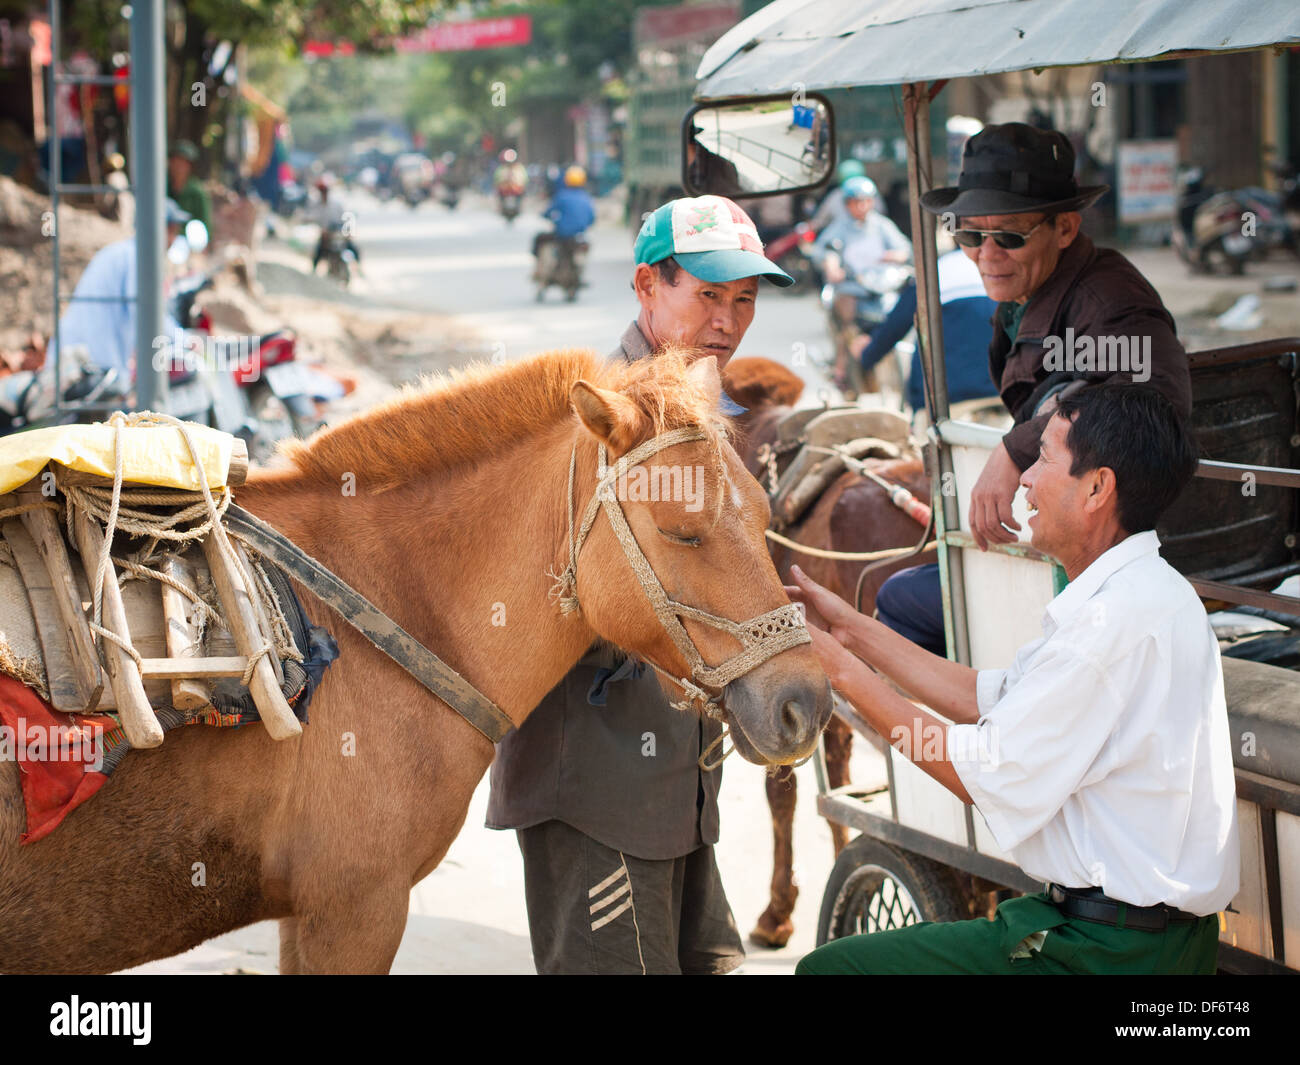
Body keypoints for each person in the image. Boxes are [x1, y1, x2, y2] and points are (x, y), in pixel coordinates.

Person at [789, 384, 1239, 975]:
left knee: (830, 970)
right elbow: (985, 696)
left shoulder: (1110, 624)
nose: (1025, 479)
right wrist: (853, 631)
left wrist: (840, 671)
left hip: (1111, 954)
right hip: (1133, 934)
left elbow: (976, 772)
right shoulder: (1146, 591)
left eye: (1046, 458)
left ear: (1098, 488)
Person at [487, 195, 794, 975]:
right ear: (647, 288)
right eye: (710, 294)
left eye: (745, 299)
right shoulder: (600, 420)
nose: (728, 320)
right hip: (596, 787)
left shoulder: (699, 409)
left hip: (681, 795)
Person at [874, 122, 1193, 656]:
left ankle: (967, 734)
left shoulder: (1108, 296)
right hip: (1077, 534)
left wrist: (1016, 447)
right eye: (971, 236)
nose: (986, 254)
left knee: (901, 599)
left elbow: (1153, 400)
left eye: (1009, 236)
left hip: (1107, 550)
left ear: (1065, 229)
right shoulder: (1029, 293)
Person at [853, 234, 999, 415]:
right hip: (1000, 391)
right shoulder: (999, 272)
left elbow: (894, 328)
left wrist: (866, 357)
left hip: (944, 398)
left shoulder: (935, 271)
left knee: (924, 436)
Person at [810, 175, 911, 386]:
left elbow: (904, 247)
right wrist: (832, 266)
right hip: (851, 288)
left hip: (881, 287)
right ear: (848, 204)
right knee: (846, 327)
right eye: (857, 201)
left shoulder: (882, 225)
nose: (862, 206)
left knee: (897, 318)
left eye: (866, 201)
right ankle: (840, 371)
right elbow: (823, 250)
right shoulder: (840, 227)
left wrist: (896, 255)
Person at [532, 165, 596, 286]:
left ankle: (539, 271)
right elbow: (591, 219)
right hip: (579, 235)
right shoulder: (586, 197)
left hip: (562, 235)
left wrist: (544, 215)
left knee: (539, 238)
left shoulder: (562, 196)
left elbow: (548, 212)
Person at [308, 178, 359, 275]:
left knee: (353, 248)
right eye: (322, 191)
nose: (324, 193)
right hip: (326, 235)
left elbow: (345, 217)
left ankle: (358, 267)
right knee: (319, 251)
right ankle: (313, 272)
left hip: (338, 233)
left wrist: (348, 231)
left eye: (325, 191)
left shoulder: (336, 204)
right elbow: (313, 218)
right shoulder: (316, 206)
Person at [166, 140, 212, 242]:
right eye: (175, 162)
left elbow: (205, 224)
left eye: (182, 163)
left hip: (188, 243)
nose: (178, 167)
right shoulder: (163, 187)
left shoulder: (197, 192)